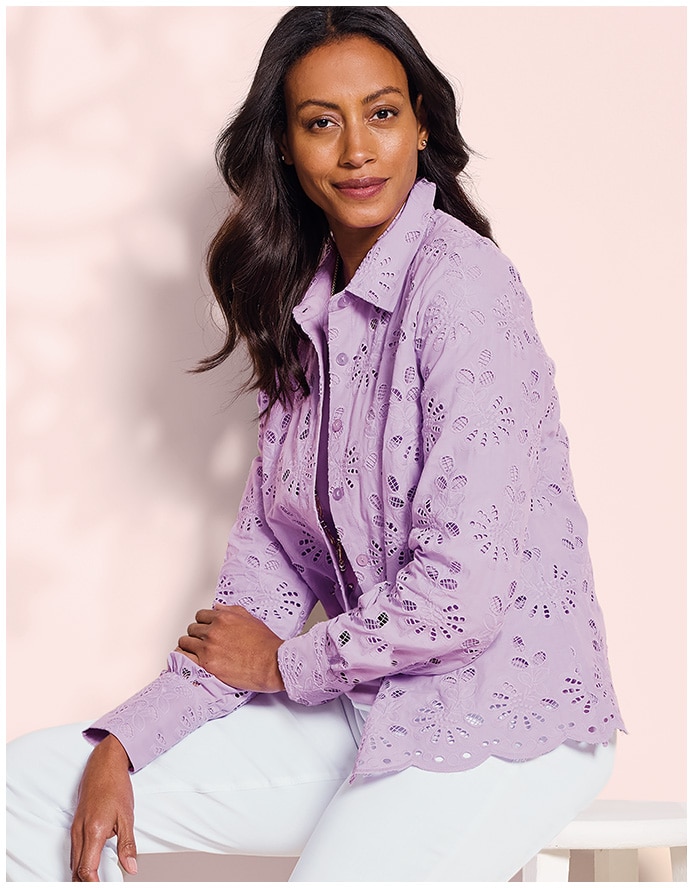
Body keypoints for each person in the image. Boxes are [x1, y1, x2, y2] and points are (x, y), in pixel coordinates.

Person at [7, 6, 626, 882]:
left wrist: (288, 661)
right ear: (288, 153)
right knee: (34, 784)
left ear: (419, 123)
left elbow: (461, 596)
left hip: (500, 720)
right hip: (364, 706)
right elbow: (251, 606)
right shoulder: (307, 323)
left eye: (379, 114)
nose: (356, 150)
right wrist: (125, 742)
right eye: (320, 123)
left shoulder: (465, 292)